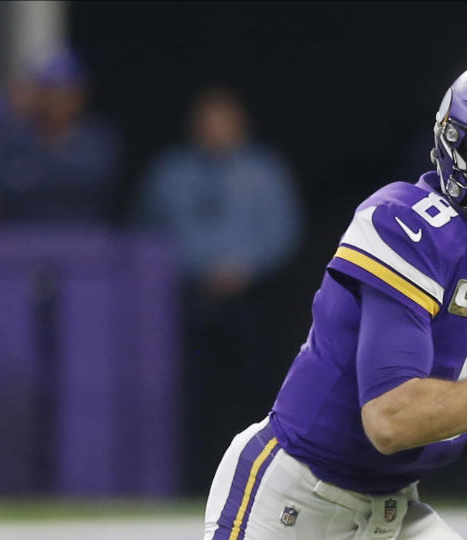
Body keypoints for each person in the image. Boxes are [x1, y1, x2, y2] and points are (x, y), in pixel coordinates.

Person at [203, 55, 467, 540]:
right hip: (295, 503)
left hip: (392, 509)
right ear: (458, 148)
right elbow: (390, 420)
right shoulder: (406, 227)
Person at [135, 86, 304, 493]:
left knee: (256, 392)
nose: (216, 128)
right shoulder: (170, 173)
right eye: (208, 119)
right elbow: (146, 232)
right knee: (193, 395)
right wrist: (196, 269)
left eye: (224, 118)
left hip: (253, 300)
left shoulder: (265, 171)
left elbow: (285, 230)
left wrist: (244, 267)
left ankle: (261, 482)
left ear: (241, 123)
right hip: (189, 300)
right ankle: (193, 484)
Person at [0, 48, 120, 224]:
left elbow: (93, 181)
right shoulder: (13, 137)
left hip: (84, 240)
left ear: (80, 95)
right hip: (20, 239)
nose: (57, 100)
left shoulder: (99, 138)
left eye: (65, 91)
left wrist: (29, 177)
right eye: (49, 91)